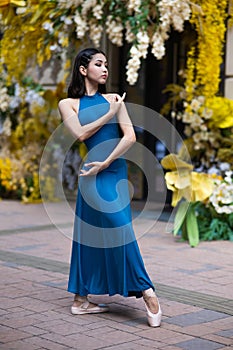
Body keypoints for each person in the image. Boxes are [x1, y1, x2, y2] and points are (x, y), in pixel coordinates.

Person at [58, 47, 162, 327]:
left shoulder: (115, 99)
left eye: (106, 64)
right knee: (88, 236)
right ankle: (82, 300)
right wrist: (110, 112)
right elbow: (81, 134)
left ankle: (144, 290)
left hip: (112, 170)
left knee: (121, 230)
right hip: (90, 173)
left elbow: (129, 137)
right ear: (83, 69)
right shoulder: (68, 103)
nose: (105, 69)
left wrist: (106, 161)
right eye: (98, 64)